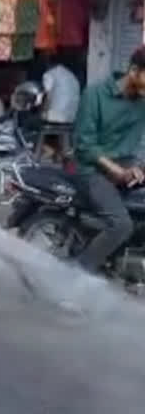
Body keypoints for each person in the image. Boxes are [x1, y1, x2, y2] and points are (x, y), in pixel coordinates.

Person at [71, 45, 145, 273]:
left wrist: (139, 167)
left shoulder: (142, 100)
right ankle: (76, 275)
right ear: (133, 71)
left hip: (125, 167)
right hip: (92, 171)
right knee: (121, 225)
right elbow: (84, 145)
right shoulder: (94, 95)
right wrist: (118, 171)